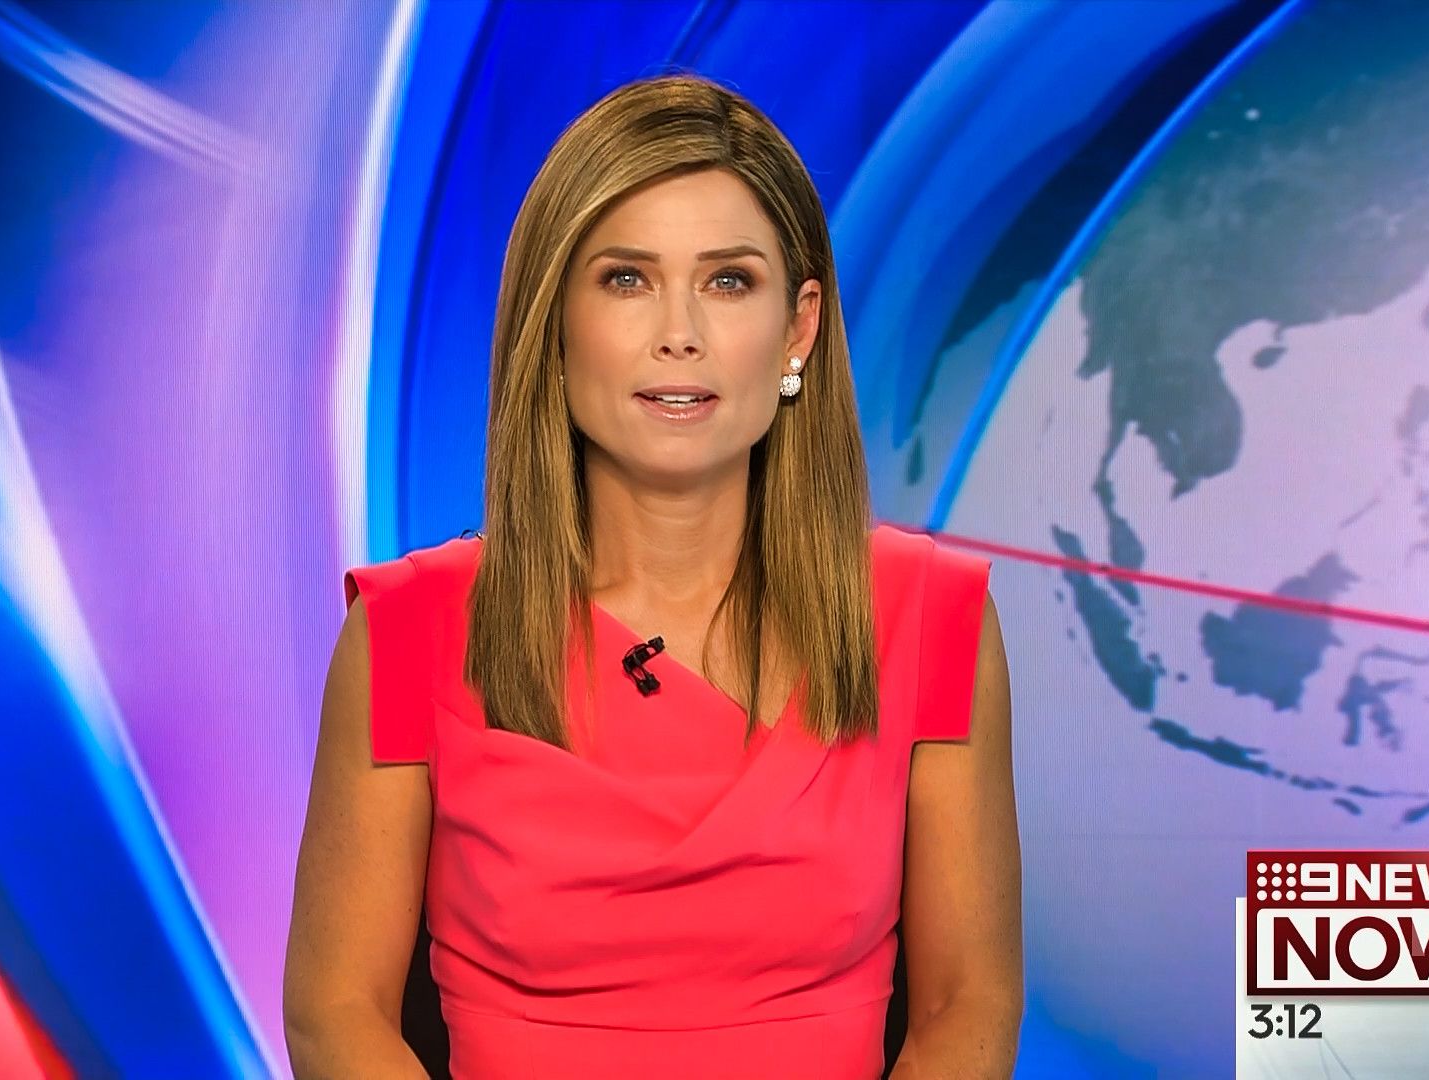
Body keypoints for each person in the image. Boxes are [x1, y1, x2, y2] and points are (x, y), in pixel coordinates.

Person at [283, 73, 1021, 1078]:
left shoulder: (932, 620)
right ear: (554, 320)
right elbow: (336, 1012)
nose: (681, 332)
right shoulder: (408, 629)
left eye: (729, 282)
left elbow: (966, 1006)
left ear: (799, 328)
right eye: (627, 279)